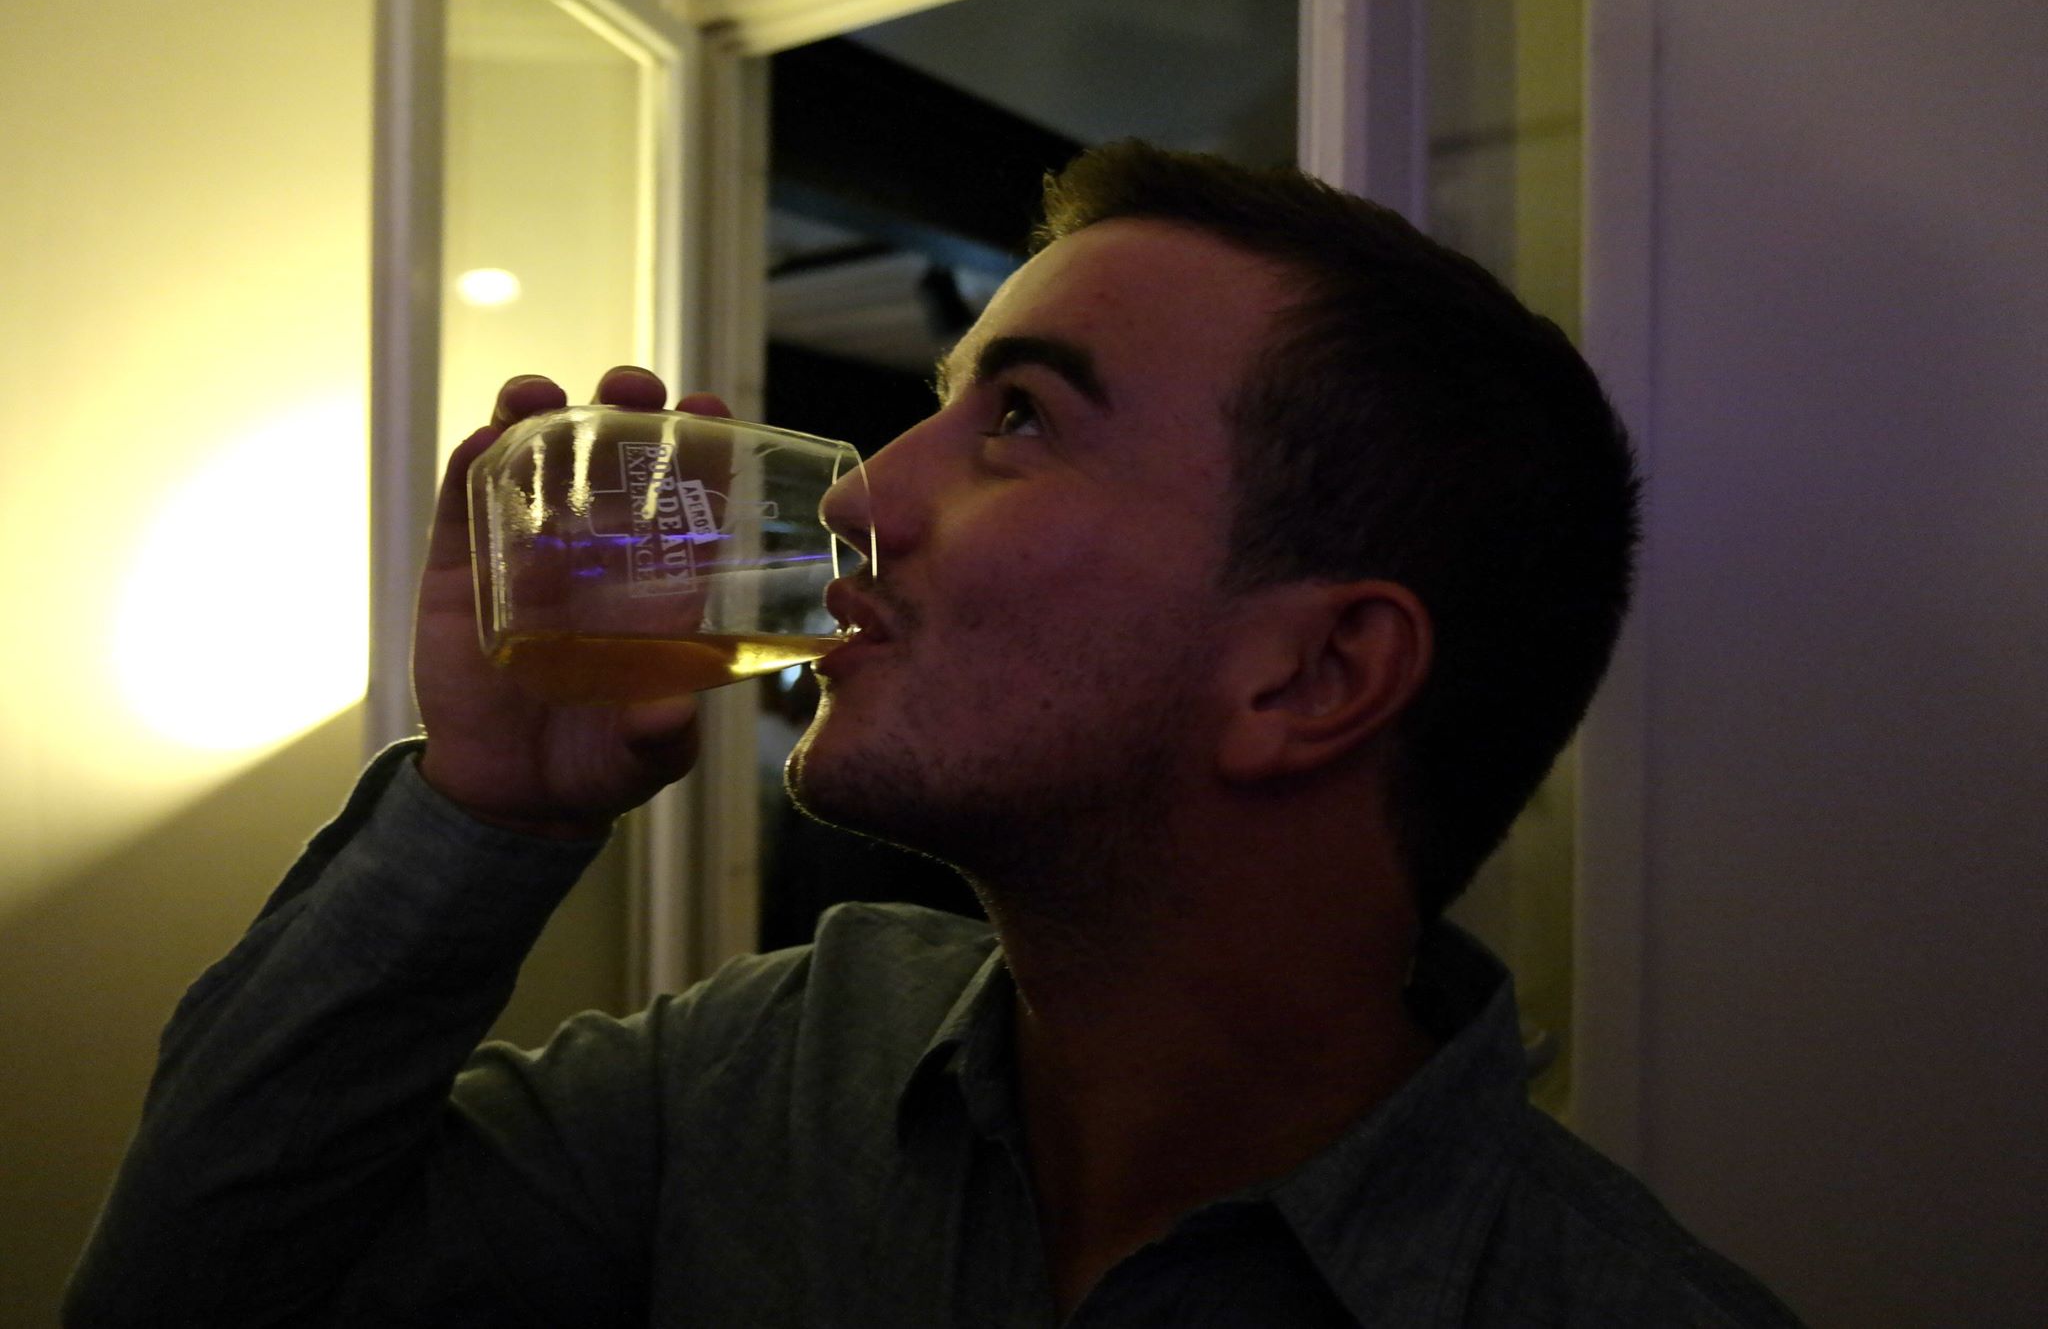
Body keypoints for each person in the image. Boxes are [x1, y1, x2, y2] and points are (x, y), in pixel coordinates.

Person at [67, 142, 1802, 1326]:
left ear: (1314, 675)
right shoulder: (761, 1072)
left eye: (1021, 420)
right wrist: (486, 809)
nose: (865, 495)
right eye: (939, 407)